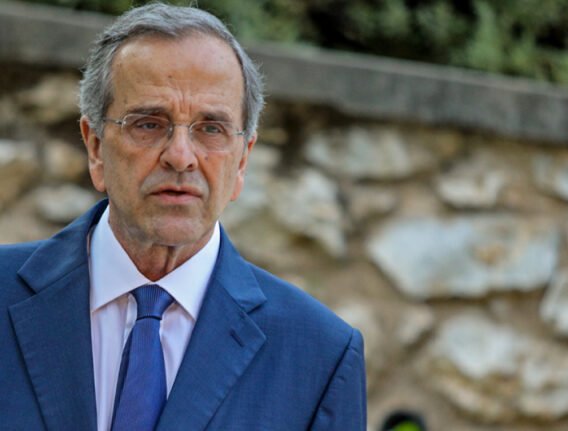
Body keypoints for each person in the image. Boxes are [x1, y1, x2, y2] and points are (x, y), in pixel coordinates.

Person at [0, 3, 366, 430]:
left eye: (211, 129)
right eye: (149, 124)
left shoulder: (320, 356)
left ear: (242, 161)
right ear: (95, 147)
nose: (180, 156)